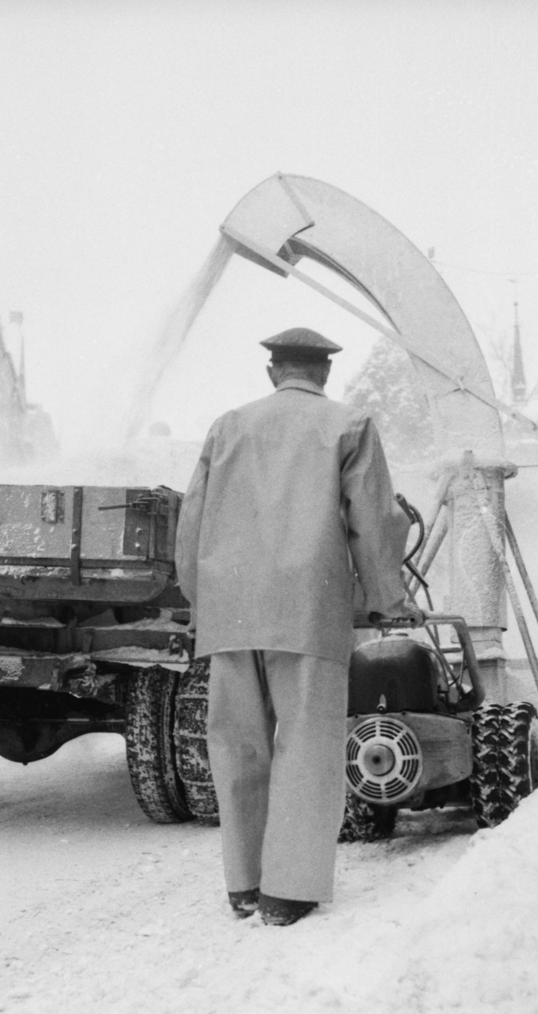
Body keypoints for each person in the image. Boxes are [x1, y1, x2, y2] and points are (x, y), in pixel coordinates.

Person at [174, 327, 413, 926]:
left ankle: (244, 885)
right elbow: (374, 520)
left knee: (238, 746)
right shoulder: (349, 425)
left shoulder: (226, 426)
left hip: (230, 612)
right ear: (324, 374)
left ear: (272, 372)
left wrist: (203, 597)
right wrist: (386, 597)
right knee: (305, 747)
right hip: (310, 606)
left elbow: (191, 521)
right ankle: (288, 891)